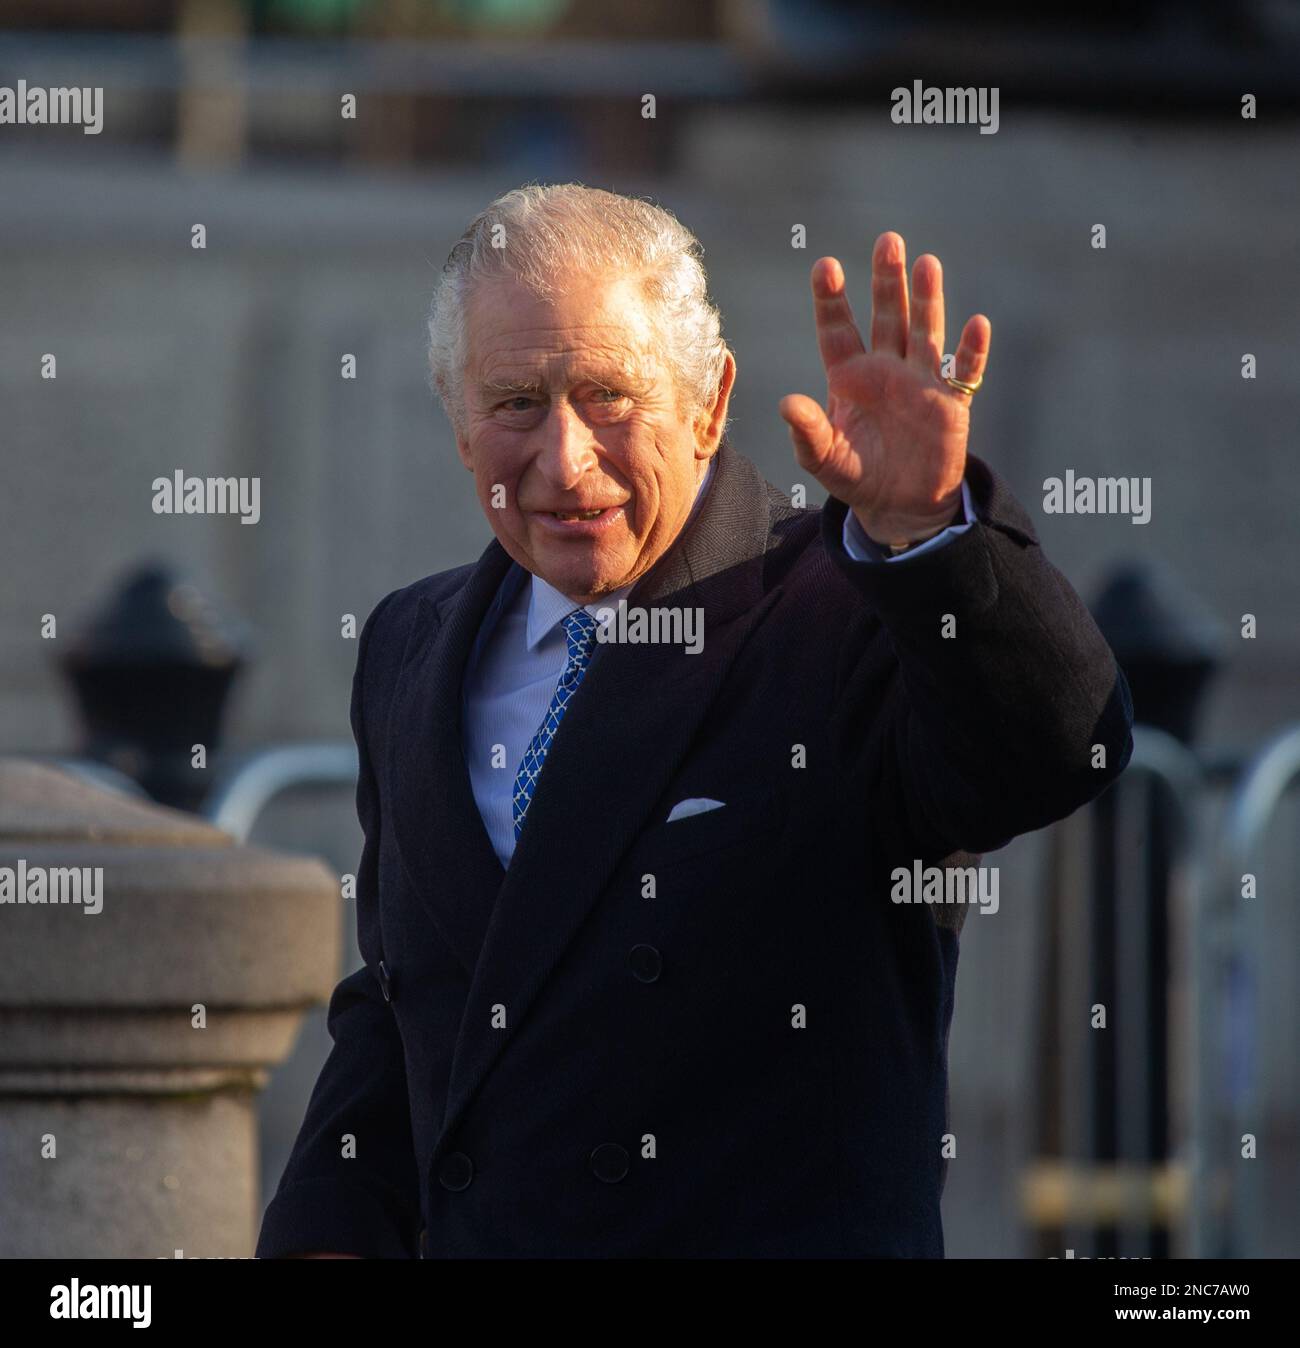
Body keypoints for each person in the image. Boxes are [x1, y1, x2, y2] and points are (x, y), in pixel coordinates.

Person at [256, 184, 1132, 1259]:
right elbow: (413, 1004)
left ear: (710, 402)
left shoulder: (848, 605)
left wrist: (930, 543)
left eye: (610, 396)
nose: (565, 462)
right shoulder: (409, 643)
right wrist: (324, 1234)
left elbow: (1055, 751)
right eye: (516, 402)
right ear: (454, 420)